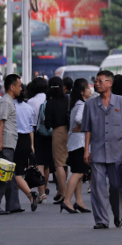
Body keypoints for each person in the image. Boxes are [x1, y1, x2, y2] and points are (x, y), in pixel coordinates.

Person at [82, 70, 122, 229]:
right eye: (96, 81)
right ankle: (101, 220)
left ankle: (118, 215)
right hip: (97, 151)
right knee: (98, 187)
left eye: (100, 81)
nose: (97, 84)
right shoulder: (90, 104)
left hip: (118, 150)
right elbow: (87, 129)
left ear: (110, 83)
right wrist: (86, 150)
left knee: (116, 186)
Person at [0, 73, 23, 215]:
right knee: (1, 177)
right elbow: (0, 122)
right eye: (19, 86)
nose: (21, 88)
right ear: (12, 87)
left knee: (9, 176)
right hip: (5, 144)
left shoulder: (8, 101)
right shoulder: (5, 102)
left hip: (9, 144)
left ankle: (13, 204)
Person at [61, 78, 92, 214]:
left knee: (78, 173)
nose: (90, 90)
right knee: (78, 173)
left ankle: (79, 201)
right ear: (82, 91)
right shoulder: (82, 105)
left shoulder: (77, 103)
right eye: (88, 87)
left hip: (74, 143)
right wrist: (85, 126)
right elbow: (79, 119)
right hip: (79, 143)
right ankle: (67, 201)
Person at [44, 76, 69, 205]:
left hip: (58, 131)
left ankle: (64, 192)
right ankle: (61, 191)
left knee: (58, 163)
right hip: (69, 131)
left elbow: (47, 122)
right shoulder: (67, 99)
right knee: (65, 162)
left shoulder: (51, 102)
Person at [13, 85, 38, 212]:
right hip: (26, 140)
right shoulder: (28, 108)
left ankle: (30, 194)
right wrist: (31, 145)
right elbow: (31, 128)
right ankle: (14, 202)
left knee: (15, 173)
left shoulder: (11, 105)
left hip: (14, 139)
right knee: (19, 170)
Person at [27, 77, 52, 202]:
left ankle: (41, 193)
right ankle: (46, 187)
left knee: (39, 163)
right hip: (50, 132)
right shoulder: (49, 99)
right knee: (47, 164)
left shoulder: (31, 101)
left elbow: (30, 122)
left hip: (37, 133)